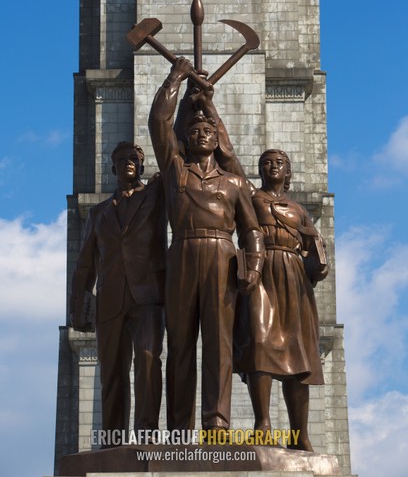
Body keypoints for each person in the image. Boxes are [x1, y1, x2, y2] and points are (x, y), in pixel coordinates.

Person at [149, 57, 264, 432]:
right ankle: (180, 428)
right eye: (195, 130)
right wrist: (176, 78)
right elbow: (159, 123)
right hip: (182, 252)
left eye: (208, 132)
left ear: (217, 140)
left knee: (219, 344)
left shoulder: (232, 184)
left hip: (222, 256)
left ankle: (216, 423)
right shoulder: (175, 171)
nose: (201, 134)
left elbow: (251, 229)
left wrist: (255, 266)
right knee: (180, 343)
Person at [69, 141, 166, 444]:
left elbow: (172, 143)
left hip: (148, 295)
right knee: (112, 371)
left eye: (134, 158)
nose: (128, 162)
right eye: (121, 159)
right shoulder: (98, 214)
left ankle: (147, 434)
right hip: (110, 300)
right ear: (112, 168)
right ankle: (112, 441)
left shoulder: (156, 196)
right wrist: (77, 307)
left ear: (142, 165)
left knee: (149, 362)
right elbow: (84, 264)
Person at [234, 149, 328, 451]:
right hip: (261, 271)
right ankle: (262, 424)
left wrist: (318, 260)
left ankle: (299, 433)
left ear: (288, 172)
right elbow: (229, 162)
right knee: (260, 342)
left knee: (298, 354)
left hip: (294, 277)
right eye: (266, 163)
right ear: (260, 171)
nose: (273, 167)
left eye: (280, 163)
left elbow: (314, 247)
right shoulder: (251, 196)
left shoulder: (299, 210)